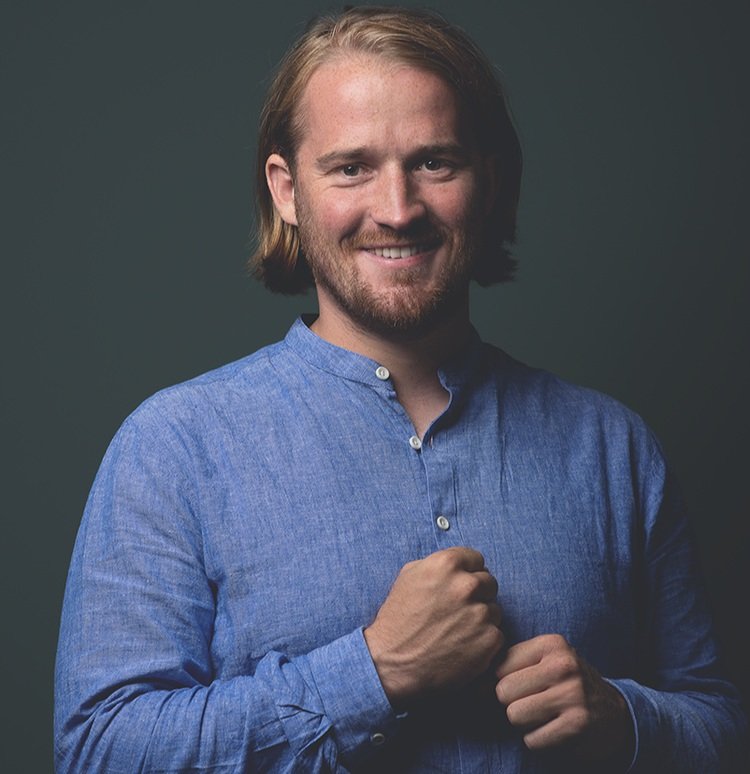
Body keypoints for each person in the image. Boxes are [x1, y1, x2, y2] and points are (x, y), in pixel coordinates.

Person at [54, 6, 746, 772]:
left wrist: (625, 722)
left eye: (435, 163)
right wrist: (376, 672)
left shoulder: (613, 448)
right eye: (352, 167)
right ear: (287, 191)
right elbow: (99, 751)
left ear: (489, 180)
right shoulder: (173, 448)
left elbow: (718, 727)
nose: (397, 210)